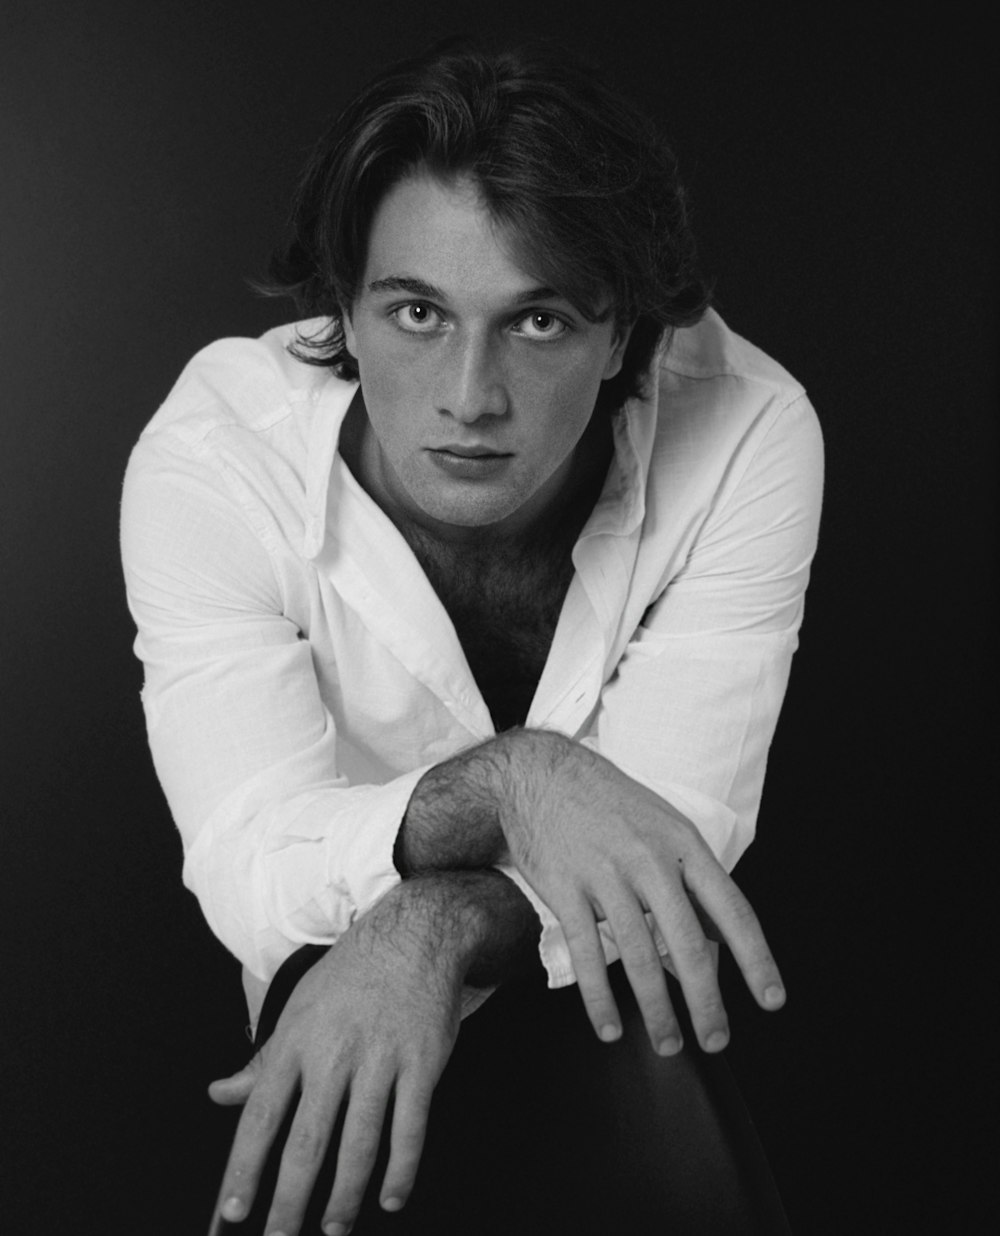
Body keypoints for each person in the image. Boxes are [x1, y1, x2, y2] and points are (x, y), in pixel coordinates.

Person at [120, 36, 823, 1236]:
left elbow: (668, 842)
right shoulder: (213, 457)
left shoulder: (749, 430)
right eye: (415, 313)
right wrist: (521, 782)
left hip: (605, 986)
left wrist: (426, 927)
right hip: (331, 978)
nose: (468, 395)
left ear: (623, 335)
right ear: (343, 303)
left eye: (537, 321)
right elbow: (250, 862)